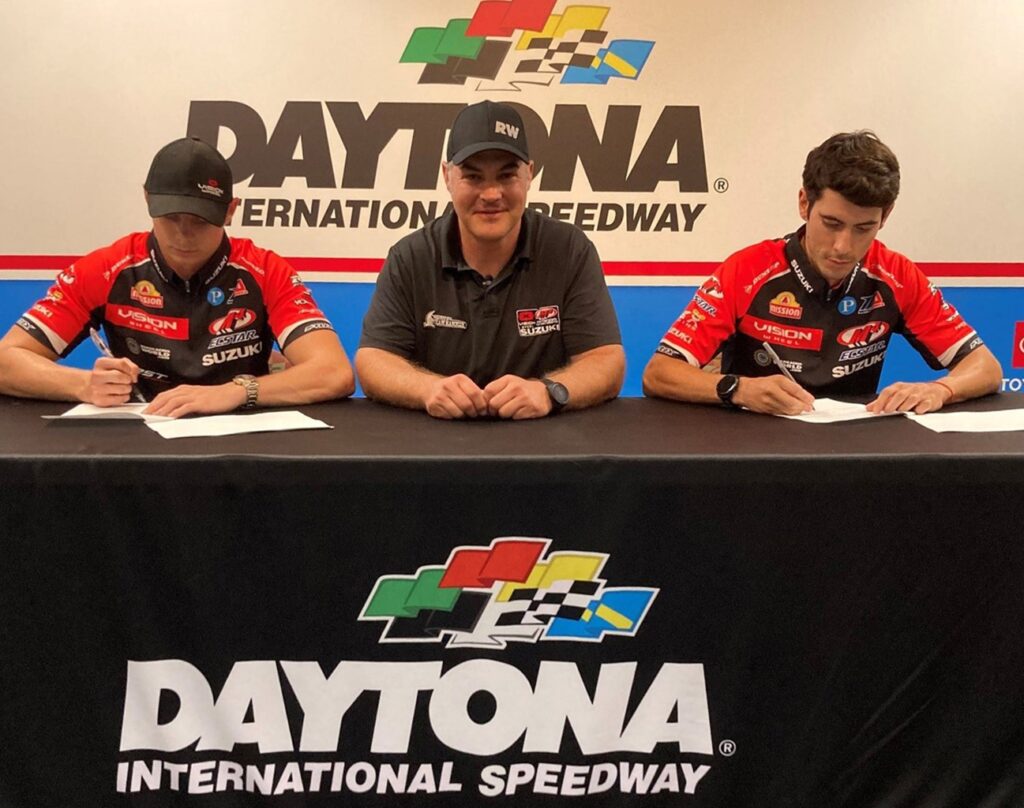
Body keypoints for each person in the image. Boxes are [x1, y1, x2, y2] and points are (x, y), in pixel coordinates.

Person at [642, 131, 1002, 415]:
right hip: (753, 452)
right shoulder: (747, 270)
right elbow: (659, 372)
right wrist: (737, 388)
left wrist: (939, 390)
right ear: (804, 203)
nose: (843, 246)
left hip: (850, 457)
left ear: (884, 217)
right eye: (831, 223)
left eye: (864, 228)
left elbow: (986, 367)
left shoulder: (897, 276)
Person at [0, 137, 354, 416]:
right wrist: (82, 384)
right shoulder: (106, 268)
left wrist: (236, 392)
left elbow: (335, 372)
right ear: (147, 199)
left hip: (242, 441)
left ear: (230, 211)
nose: (184, 235)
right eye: (171, 217)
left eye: (200, 220)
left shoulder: (266, 270)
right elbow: (6, 360)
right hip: (139, 441)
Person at [356, 101, 624, 419]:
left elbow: (607, 360)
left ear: (529, 175)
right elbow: (373, 359)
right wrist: (427, 389)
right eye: (473, 177)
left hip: (547, 451)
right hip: (435, 452)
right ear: (447, 176)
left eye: (507, 175)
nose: (492, 193)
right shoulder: (410, 257)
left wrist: (548, 390)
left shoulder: (569, 250)